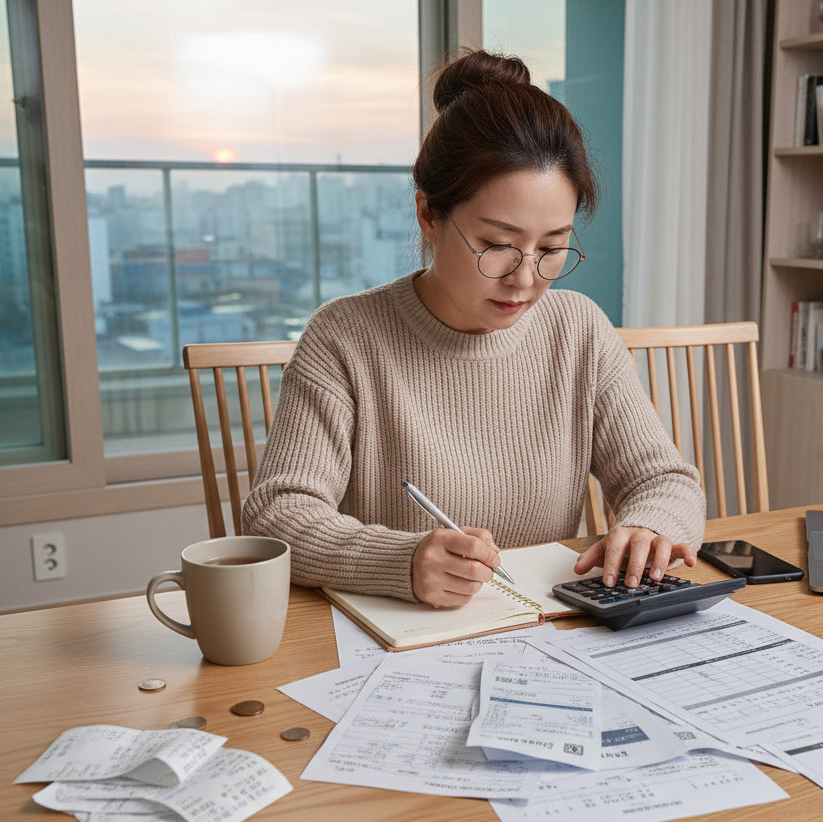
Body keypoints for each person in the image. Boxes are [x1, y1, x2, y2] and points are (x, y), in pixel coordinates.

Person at [242, 50, 705, 608]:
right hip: (404, 633)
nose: (524, 279)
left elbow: (664, 480)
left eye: (552, 247)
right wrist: (402, 561)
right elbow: (278, 513)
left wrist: (649, 527)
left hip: (550, 628)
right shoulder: (344, 337)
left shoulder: (579, 330)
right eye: (497, 245)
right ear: (429, 216)